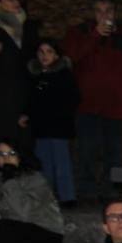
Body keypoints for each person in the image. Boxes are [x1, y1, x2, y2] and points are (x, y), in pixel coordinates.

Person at [64, 0, 122, 203]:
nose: (104, 15)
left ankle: (112, 191)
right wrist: (94, 36)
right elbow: (71, 57)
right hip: (87, 105)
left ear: (114, 13)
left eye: (108, 10)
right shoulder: (79, 33)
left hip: (117, 106)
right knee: (87, 150)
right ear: (93, 13)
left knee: (114, 152)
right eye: (99, 10)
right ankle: (87, 191)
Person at [0, 0, 39, 153]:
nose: (16, 2)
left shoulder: (28, 27)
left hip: (21, 93)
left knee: (21, 141)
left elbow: (32, 58)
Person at [24, 38, 80, 205]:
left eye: (49, 51)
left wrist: (59, 112)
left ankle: (67, 197)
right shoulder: (36, 77)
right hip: (41, 128)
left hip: (59, 127)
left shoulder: (64, 76)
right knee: (43, 164)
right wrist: (27, 114)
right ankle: (46, 197)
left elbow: (72, 99)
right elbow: (33, 100)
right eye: (41, 52)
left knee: (61, 163)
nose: (44, 55)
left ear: (56, 55)